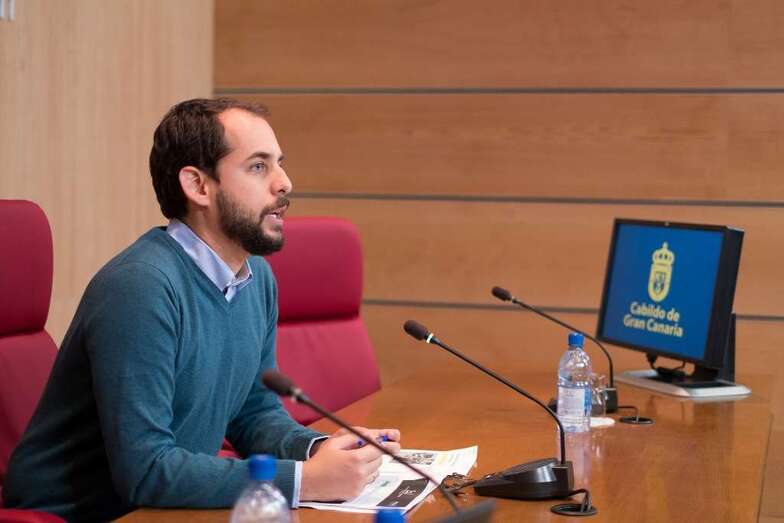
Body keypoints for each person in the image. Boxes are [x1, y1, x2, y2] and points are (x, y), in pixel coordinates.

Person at [2, 98, 400, 521]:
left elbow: (253, 412)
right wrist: (306, 480)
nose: (285, 183)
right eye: (259, 167)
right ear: (198, 186)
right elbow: (145, 470)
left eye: (279, 164)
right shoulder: (140, 287)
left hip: (165, 508)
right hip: (78, 515)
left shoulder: (256, 277)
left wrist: (321, 450)